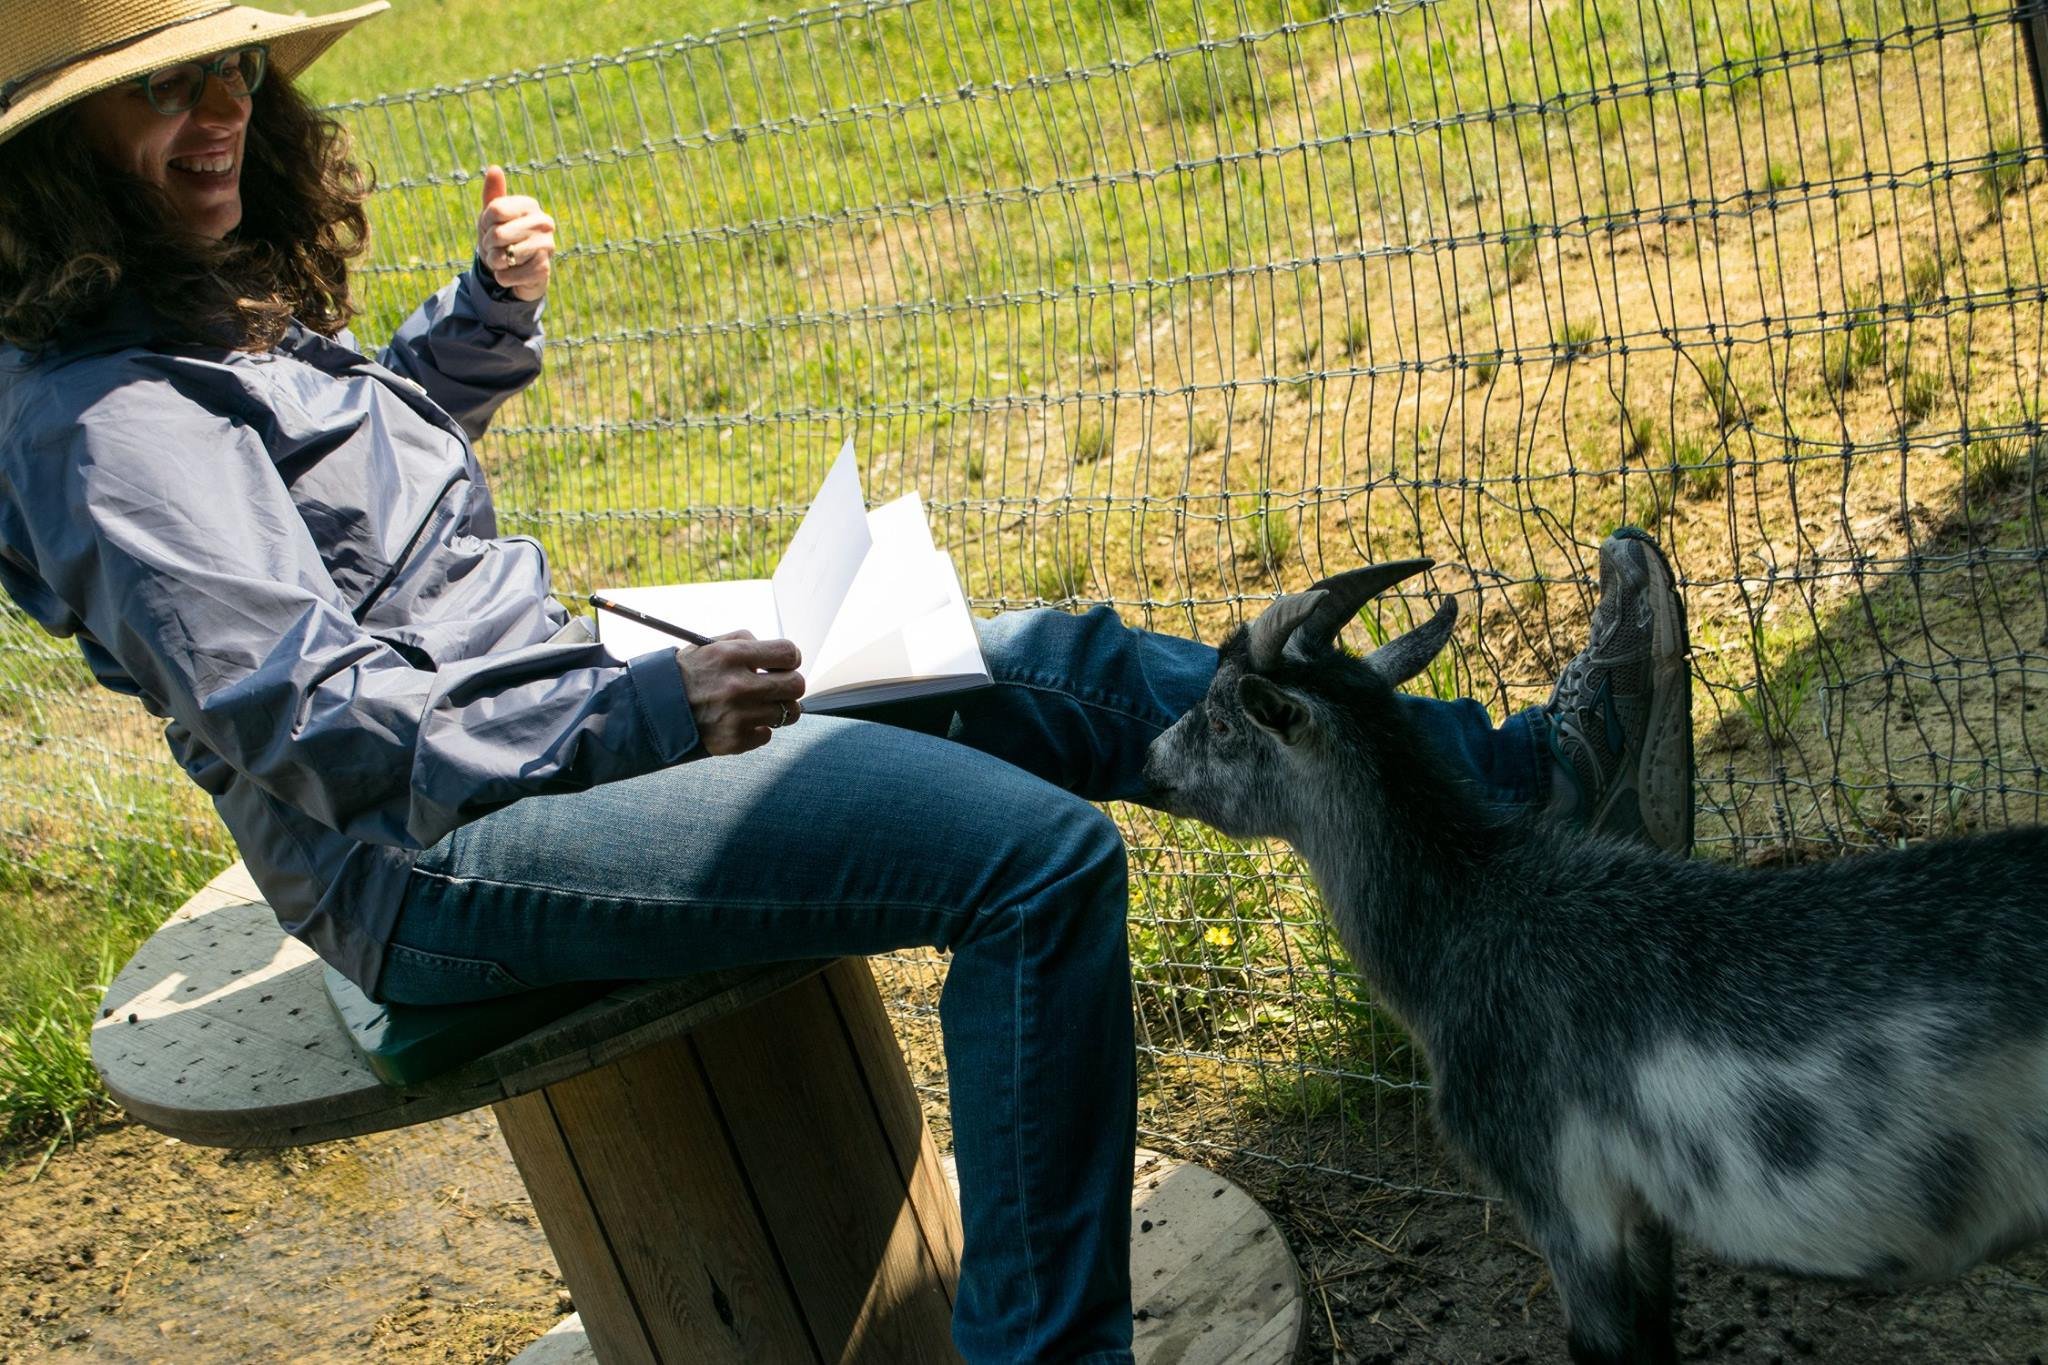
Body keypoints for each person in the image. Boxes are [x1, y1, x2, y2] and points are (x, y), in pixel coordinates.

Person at [0, 3, 1693, 1360]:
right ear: (54, 155)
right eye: (161, 93)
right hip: (440, 848)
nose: (217, 110)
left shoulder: (187, 305)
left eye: (229, 67)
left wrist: (482, 319)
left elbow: (359, 500)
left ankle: (1514, 790)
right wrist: (643, 717)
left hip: (537, 719)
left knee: (1028, 657)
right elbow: (322, 724)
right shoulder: (103, 430)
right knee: (1036, 867)